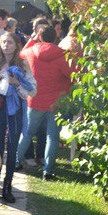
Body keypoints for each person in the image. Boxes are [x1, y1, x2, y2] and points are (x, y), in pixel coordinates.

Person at [16, 24, 75, 180]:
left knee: (27, 133)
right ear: (56, 37)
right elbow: (74, 75)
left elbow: (20, 54)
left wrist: (32, 40)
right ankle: (48, 171)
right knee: (53, 137)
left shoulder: (31, 52)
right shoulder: (63, 55)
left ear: (39, 37)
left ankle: (16, 161)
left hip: (35, 100)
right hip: (57, 102)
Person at [0, 32, 36, 202]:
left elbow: (32, 89)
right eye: (3, 42)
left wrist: (16, 83)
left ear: (17, 45)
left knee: (11, 148)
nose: (6, 45)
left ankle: (7, 186)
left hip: (15, 110)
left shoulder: (22, 65)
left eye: (9, 42)